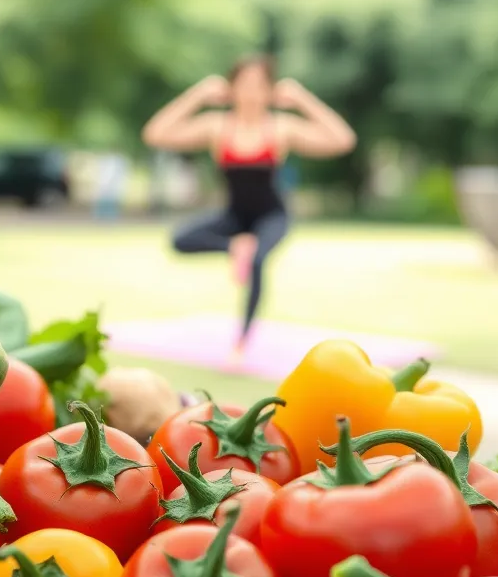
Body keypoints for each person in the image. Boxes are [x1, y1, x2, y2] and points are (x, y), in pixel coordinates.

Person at [142, 55, 356, 365]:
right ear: (231, 88)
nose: (252, 92)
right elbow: (155, 134)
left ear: (271, 90)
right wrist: (198, 95)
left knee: (257, 260)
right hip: (233, 216)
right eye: (244, 84)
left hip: (272, 215)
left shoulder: (281, 127)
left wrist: (301, 99)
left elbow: (343, 140)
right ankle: (234, 246)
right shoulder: (217, 126)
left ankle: (241, 343)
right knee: (179, 240)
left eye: (259, 85)